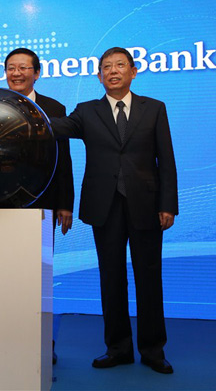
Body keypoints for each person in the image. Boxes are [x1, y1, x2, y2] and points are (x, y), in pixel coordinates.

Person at [49, 47, 178, 374]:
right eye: (106, 67)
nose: (113, 71)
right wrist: (21, 113)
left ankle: (153, 350)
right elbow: (56, 128)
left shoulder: (154, 108)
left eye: (120, 65)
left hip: (146, 205)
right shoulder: (86, 111)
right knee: (111, 278)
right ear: (99, 76)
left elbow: (166, 159)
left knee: (149, 278)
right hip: (103, 206)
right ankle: (118, 348)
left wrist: (168, 204)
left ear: (133, 71)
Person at [4, 47, 75, 364]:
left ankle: (42, 340)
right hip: (0, 208)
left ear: (36, 73)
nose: (16, 73)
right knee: (6, 275)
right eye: (10, 67)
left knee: (39, 276)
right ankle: (8, 337)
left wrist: (65, 204)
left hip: (42, 204)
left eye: (23, 67)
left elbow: (63, 160)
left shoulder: (54, 108)